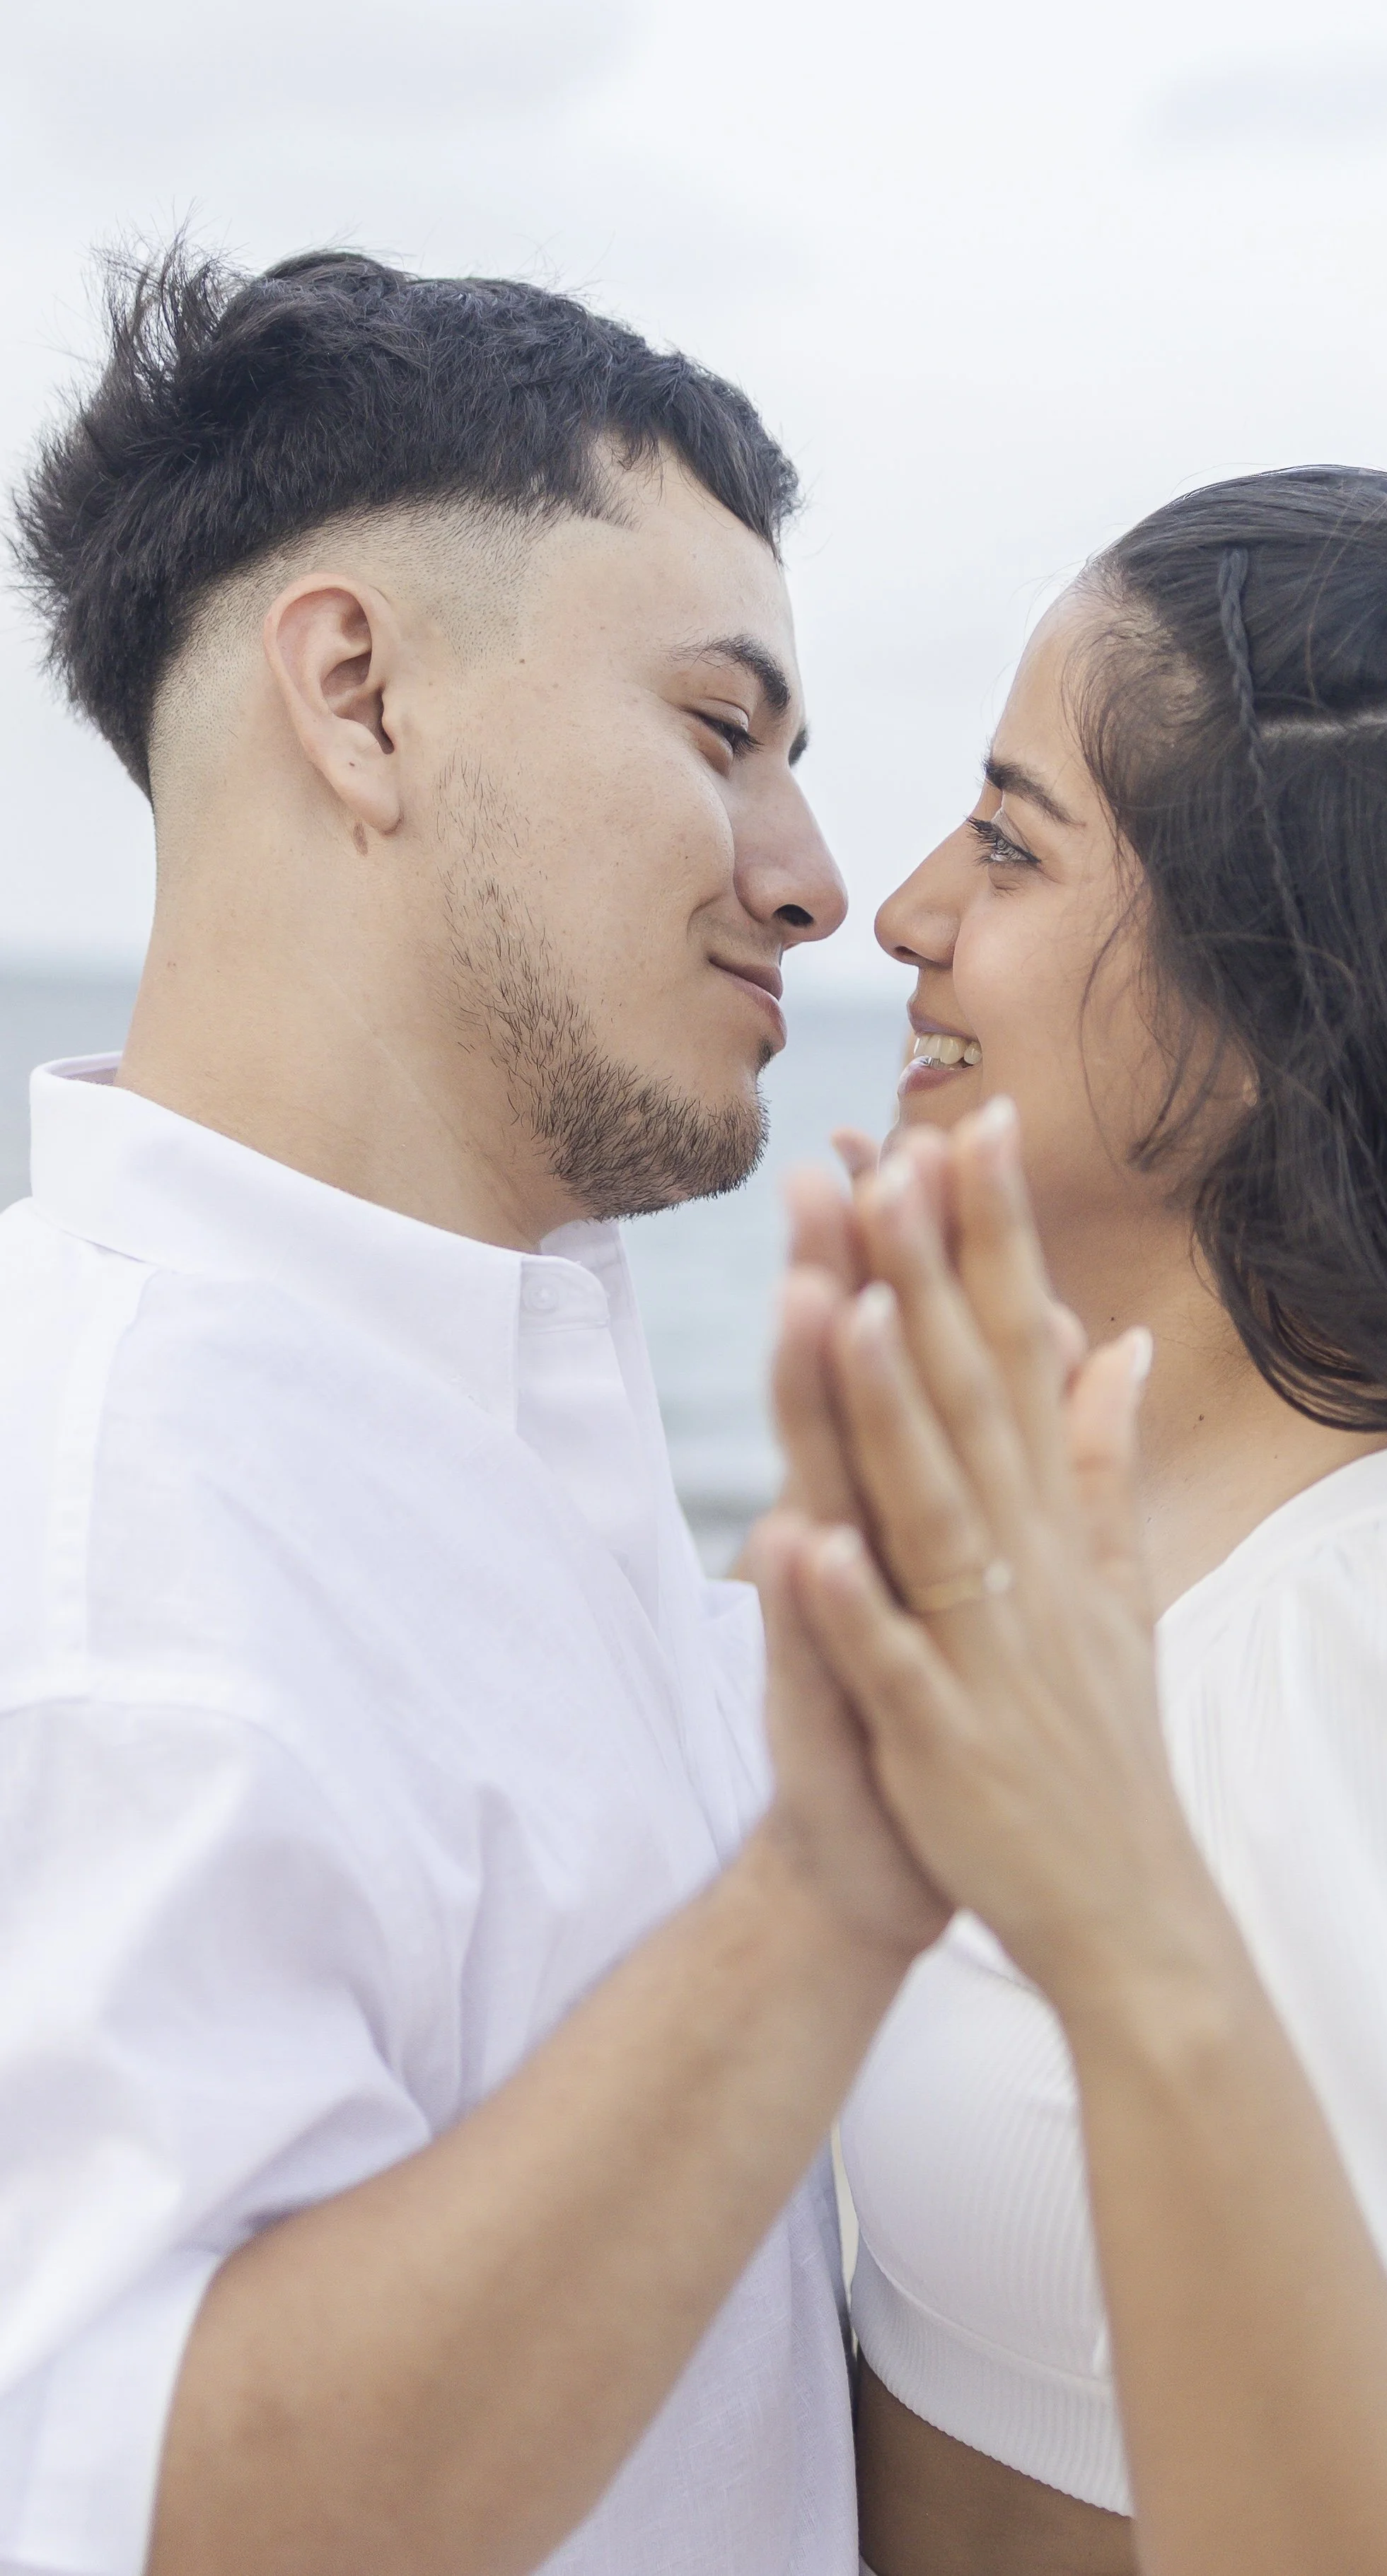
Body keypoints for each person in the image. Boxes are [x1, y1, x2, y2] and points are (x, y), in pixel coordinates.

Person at [0, 245, 943, 2576]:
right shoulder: (109, 1549)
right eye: (721, 730)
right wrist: (832, 1893)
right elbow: (132, 2515)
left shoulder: (484, 1383)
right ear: (361, 697)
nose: (817, 883)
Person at [759, 468, 1387, 2576]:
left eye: (1010, 842)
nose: (903, 911)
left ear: (1288, 1004)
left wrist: (1120, 1940)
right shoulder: (1106, 1550)